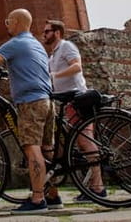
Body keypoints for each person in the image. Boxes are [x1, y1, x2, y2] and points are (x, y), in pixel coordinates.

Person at [0, 8, 61, 214]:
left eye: (8, 21)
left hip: (31, 102)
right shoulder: (36, 44)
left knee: (31, 148)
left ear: (16, 22)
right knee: (46, 149)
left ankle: (37, 200)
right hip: (47, 101)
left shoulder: (17, 42)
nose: (6, 25)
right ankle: (53, 196)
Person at [41, 19, 104, 202]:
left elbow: (77, 67)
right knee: (66, 144)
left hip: (78, 98)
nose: (44, 35)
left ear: (57, 32)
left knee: (85, 142)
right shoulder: (52, 55)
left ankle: (98, 188)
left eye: (47, 31)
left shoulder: (67, 46)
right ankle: (88, 187)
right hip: (66, 102)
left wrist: (55, 75)